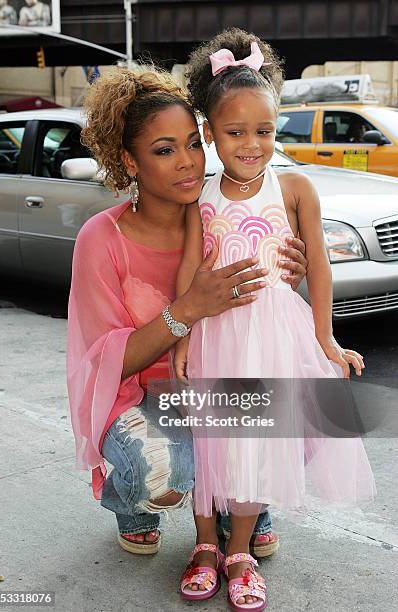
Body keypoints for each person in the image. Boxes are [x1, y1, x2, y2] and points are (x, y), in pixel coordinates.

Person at [66, 66, 309, 561]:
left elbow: (266, 308)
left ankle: (239, 503)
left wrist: (291, 277)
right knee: (162, 469)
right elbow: (106, 360)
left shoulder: (221, 214)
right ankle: (131, 503)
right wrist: (187, 311)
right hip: (138, 394)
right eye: (164, 150)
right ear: (129, 162)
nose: (188, 163)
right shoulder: (101, 237)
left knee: (301, 408)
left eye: (193, 144)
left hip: (221, 381)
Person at [175, 28, 376, 610]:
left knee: (256, 446)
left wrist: (326, 338)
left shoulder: (296, 186)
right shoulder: (202, 197)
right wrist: (182, 334)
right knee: (212, 443)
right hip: (216, 334)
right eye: (235, 132)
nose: (252, 144)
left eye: (264, 130)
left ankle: (240, 552)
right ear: (210, 134)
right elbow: (189, 267)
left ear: (277, 123)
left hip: (273, 337)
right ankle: (205, 545)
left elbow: (318, 268)